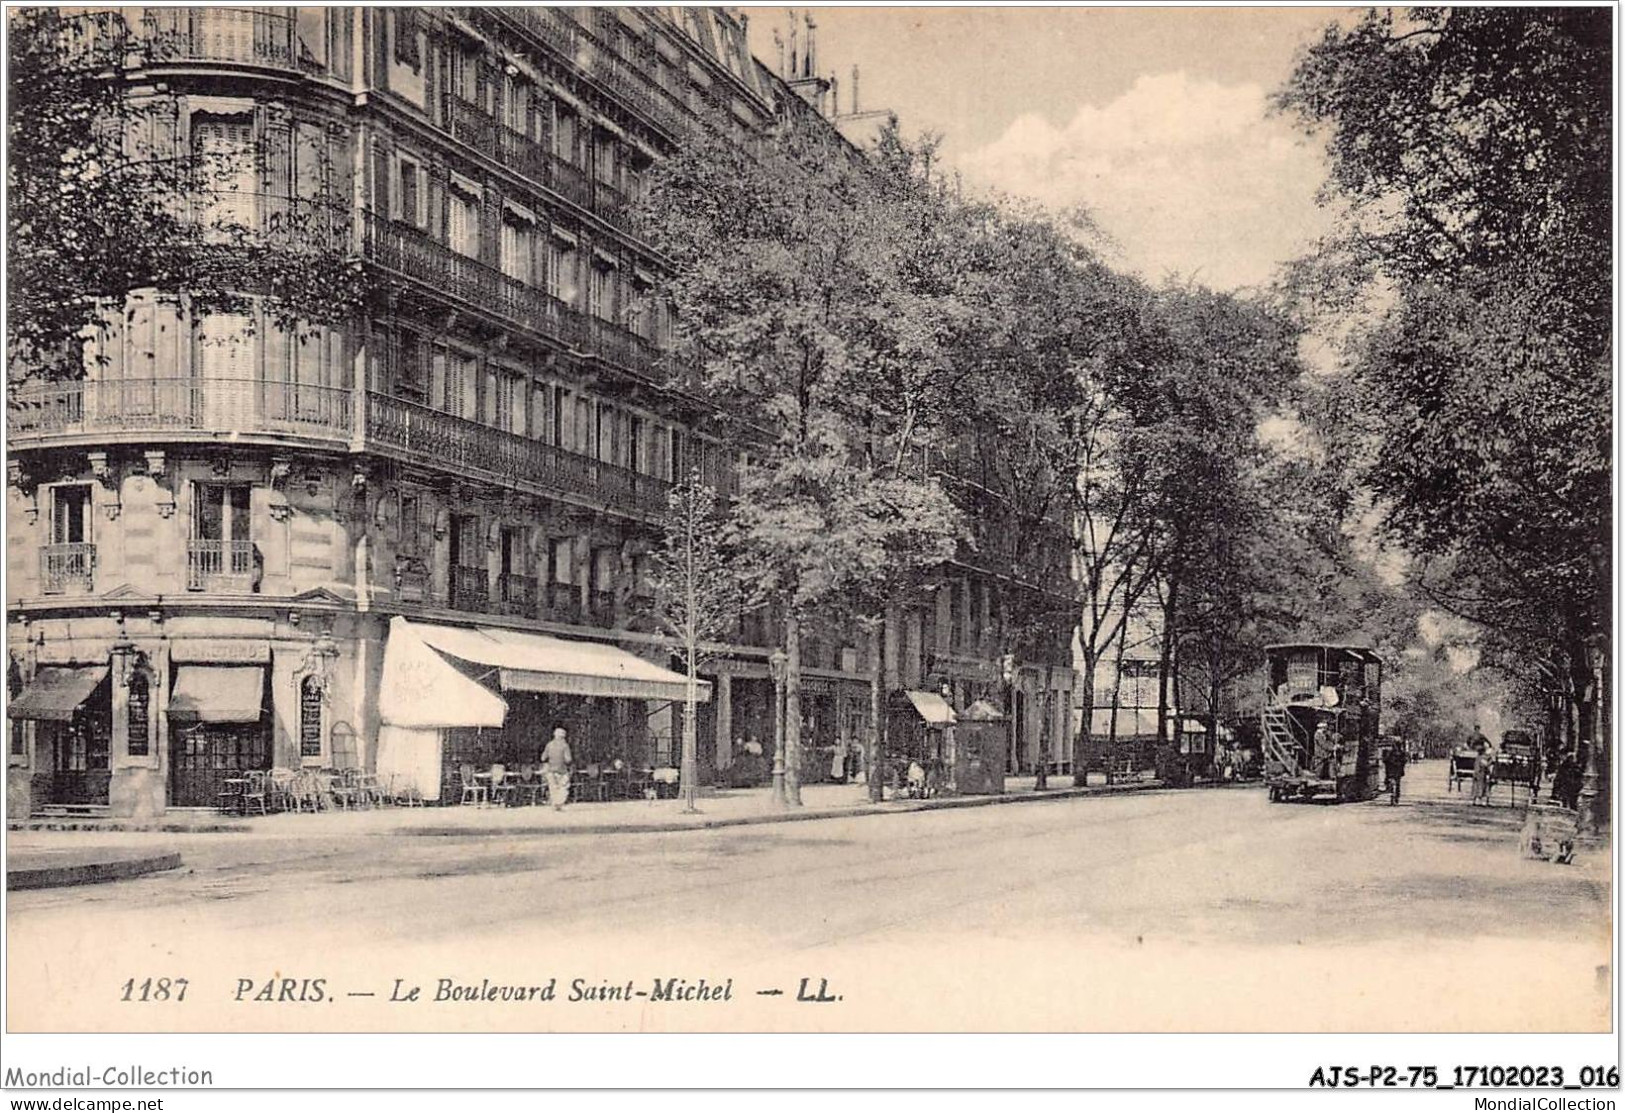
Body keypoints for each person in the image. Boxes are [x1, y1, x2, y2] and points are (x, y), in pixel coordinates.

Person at [542, 726, 573, 812]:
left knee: (553, 788)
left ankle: (555, 804)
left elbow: (543, 758)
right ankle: (559, 804)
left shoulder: (549, 745)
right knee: (563, 787)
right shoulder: (565, 746)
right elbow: (568, 759)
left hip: (551, 770)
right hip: (562, 770)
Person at [1471, 738, 1494, 806]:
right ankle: (1481, 800)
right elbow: (1485, 765)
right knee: (1482, 787)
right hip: (1481, 774)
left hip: (1479, 774)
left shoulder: (1478, 758)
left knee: (1477, 787)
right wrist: (1490, 761)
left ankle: (1476, 800)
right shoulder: (1482, 758)